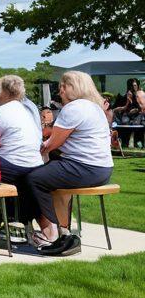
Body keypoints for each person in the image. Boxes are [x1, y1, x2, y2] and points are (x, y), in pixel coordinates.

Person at [27, 70, 115, 257]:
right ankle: (64, 232)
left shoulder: (74, 108)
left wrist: (40, 148)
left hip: (84, 168)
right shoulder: (93, 107)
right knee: (53, 178)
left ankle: (51, 232)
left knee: (33, 178)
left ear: (70, 88)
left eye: (61, 87)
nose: (60, 92)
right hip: (103, 168)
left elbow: (53, 144)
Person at [0, 74, 46, 230]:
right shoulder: (29, 109)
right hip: (37, 163)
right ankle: (12, 218)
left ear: (3, 91)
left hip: (14, 164)